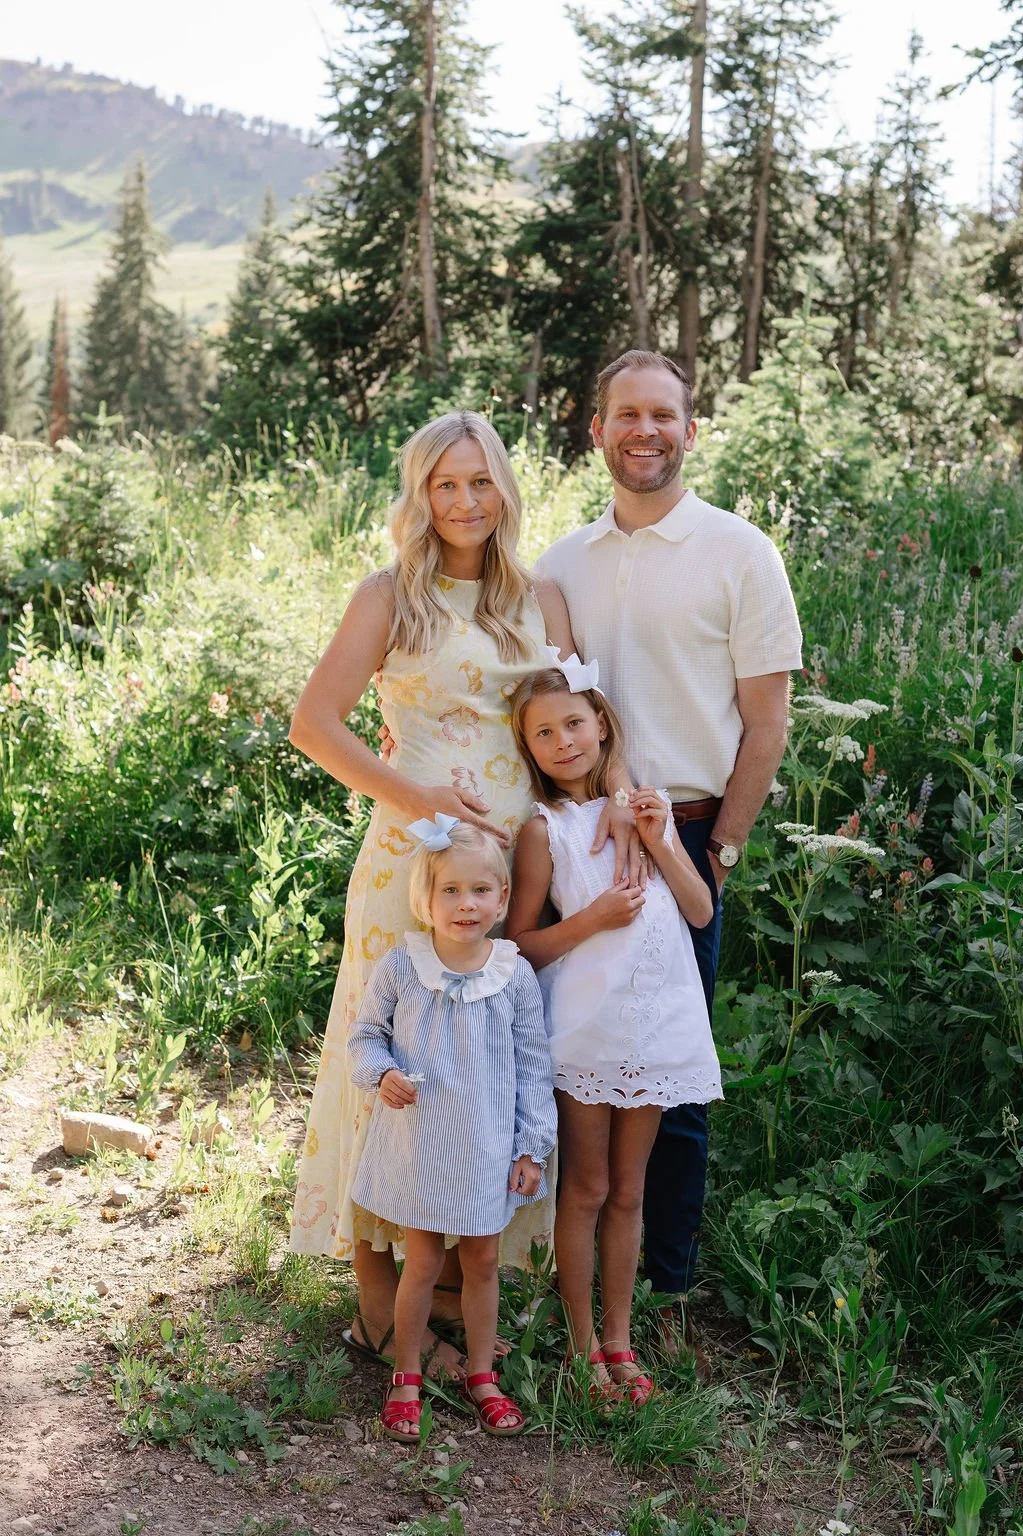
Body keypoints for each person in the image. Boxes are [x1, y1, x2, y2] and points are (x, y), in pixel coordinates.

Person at [288, 409, 577, 1380]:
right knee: (401, 1066)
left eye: (479, 482)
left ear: (504, 489)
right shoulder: (390, 596)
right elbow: (313, 724)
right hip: (412, 870)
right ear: (419, 495)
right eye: (443, 485)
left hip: (509, 880)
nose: (463, 502)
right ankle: (376, 1313)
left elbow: (567, 723)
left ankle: (455, 1295)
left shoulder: (540, 601)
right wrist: (414, 797)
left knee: (484, 1071)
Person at [533, 350, 802, 1356]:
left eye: (663, 415)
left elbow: (766, 721)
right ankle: (566, 1281)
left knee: (669, 1073)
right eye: (624, 415)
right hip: (576, 841)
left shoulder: (740, 553)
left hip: (687, 832)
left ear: (692, 429)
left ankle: (667, 1290)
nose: (643, 431)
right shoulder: (561, 562)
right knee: (572, 1054)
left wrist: (722, 845)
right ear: (595, 430)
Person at [505, 661, 721, 1403]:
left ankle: (621, 1340)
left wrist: (661, 841)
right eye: (543, 733)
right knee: (588, 1186)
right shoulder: (545, 831)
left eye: (573, 723)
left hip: (658, 1024)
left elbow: (699, 912)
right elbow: (520, 944)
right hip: (588, 1029)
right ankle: (578, 1345)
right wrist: (589, 920)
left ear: (602, 724)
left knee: (631, 1189)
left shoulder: (646, 810)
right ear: (528, 750)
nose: (562, 741)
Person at [348, 819, 556, 1441]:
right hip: (419, 1145)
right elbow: (364, 1038)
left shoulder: (513, 976)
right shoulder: (403, 967)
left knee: (483, 1262)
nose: (467, 904)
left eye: (482, 891)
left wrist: (531, 1146)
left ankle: (482, 1374)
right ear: (426, 899)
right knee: (422, 1261)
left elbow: (533, 1066)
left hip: (487, 1148)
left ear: (501, 897)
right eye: (451, 892)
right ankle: (406, 1375)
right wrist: (381, 1073)